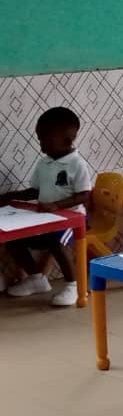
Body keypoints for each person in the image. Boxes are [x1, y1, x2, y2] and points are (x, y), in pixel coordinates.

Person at [0, 106, 92, 306]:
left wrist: (57, 205)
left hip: (73, 219)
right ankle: (36, 279)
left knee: (55, 241)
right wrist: (8, 197)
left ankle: (74, 285)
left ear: (67, 139)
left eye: (45, 139)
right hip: (46, 216)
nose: (40, 144)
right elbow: (35, 191)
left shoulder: (77, 164)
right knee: (15, 239)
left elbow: (84, 195)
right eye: (39, 138)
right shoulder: (44, 163)